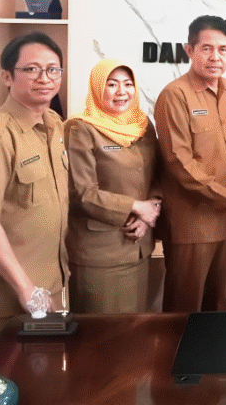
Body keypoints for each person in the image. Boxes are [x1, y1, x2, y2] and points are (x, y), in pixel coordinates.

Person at [154, 15, 226, 313]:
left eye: (223, 49)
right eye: (206, 48)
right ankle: (178, 362)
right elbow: (179, 163)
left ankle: (214, 361)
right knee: (184, 310)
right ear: (189, 50)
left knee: (218, 306)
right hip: (191, 225)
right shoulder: (174, 96)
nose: (215, 57)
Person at [0, 32, 69, 341]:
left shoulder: (53, 125)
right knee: (11, 385)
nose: (45, 78)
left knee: (50, 382)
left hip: (52, 285)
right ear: (7, 76)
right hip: (10, 296)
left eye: (53, 69)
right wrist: (26, 289)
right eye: (32, 69)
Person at [65, 59, 162, 313]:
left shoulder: (142, 125)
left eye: (128, 84)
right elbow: (81, 193)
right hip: (100, 254)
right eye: (112, 84)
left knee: (133, 334)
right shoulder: (79, 128)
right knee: (100, 339)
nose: (122, 91)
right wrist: (136, 207)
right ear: (98, 88)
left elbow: (157, 176)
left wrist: (148, 212)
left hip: (139, 246)